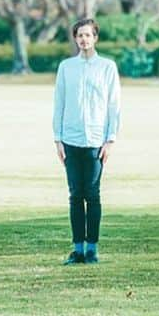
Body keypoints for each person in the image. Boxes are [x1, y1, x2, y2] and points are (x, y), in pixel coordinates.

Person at [53, 17, 121, 264]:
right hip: (70, 139)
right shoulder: (66, 67)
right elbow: (59, 102)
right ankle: (77, 248)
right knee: (74, 195)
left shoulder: (107, 67)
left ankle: (92, 248)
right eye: (80, 35)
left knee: (92, 194)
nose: (84, 39)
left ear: (95, 38)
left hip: (95, 140)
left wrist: (110, 139)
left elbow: (114, 105)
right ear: (75, 38)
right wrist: (58, 139)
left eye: (88, 35)